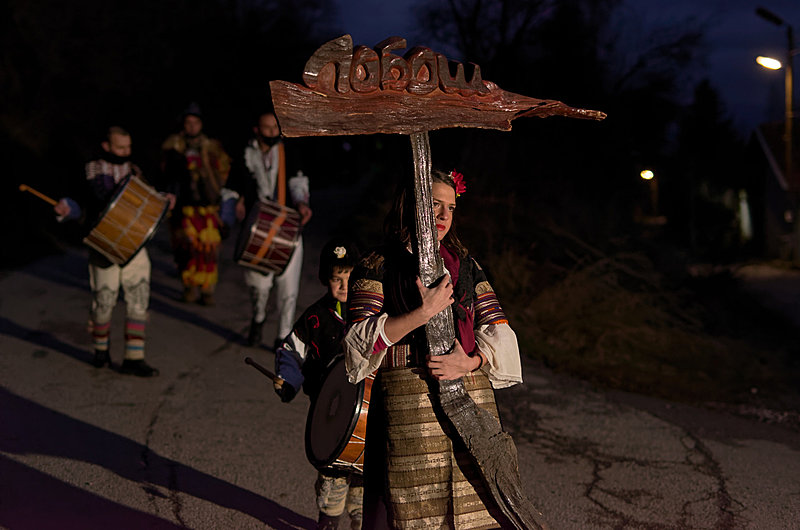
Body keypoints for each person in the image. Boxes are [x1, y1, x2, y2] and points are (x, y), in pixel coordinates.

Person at [342, 169, 524, 528]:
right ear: (411, 207)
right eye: (434, 206)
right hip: (404, 399)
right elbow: (359, 341)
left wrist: (471, 361)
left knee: (476, 505)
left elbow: (498, 329)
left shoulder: (466, 264)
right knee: (400, 509)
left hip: (468, 395)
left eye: (451, 208)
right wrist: (422, 312)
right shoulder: (377, 263)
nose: (443, 217)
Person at [54, 126, 174, 377]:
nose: (125, 152)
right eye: (120, 148)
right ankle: (101, 351)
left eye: (128, 147)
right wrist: (68, 208)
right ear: (106, 146)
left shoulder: (135, 171)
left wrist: (163, 199)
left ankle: (134, 357)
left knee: (139, 298)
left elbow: (148, 199)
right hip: (104, 244)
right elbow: (79, 202)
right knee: (104, 300)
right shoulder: (91, 171)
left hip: (136, 244)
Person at [272, 238, 362, 530]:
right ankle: (329, 520)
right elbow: (291, 350)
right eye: (337, 279)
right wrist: (288, 380)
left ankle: (362, 519)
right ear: (326, 279)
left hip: (366, 413)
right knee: (333, 473)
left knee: (364, 473)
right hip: (329, 411)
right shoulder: (314, 317)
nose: (344, 285)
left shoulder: (372, 312)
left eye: (350, 277)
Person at [222, 110, 313, 348]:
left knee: (288, 287)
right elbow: (231, 189)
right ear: (256, 130)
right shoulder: (244, 154)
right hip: (256, 229)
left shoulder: (289, 151)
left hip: (287, 226)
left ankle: (282, 335)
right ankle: (258, 317)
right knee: (258, 287)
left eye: (276, 128)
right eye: (267, 128)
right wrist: (227, 217)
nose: (273, 132)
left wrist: (302, 202)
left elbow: (298, 180)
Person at [161, 103, 231, 305]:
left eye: (195, 122)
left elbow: (223, 176)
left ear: (201, 124)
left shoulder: (212, 147)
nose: (192, 127)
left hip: (208, 207)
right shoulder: (173, 145)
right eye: (188, 123)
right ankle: (188, 287)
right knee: (186, 249)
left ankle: (207, 290)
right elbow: (165, 175)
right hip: (184, 208)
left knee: (208, 250)